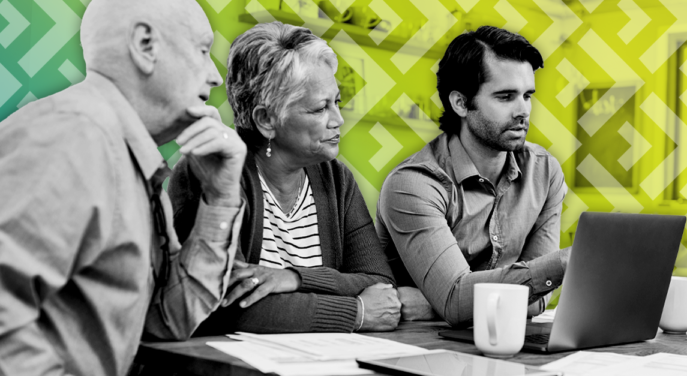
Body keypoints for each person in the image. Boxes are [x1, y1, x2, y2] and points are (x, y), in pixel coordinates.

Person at [0, 0, 247, 375]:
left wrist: (220, 198)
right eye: (201, 50)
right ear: (145, 45)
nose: (215, 76)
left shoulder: (129, 157)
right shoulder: (73, 136)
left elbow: (166, 322)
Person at [169, 22, 400, 334]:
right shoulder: (211, 171)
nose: (338, 120)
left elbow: (379, 283)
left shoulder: (336, 178)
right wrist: (354, 311)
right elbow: (223, 308)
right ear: (266, 120)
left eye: (337, 102)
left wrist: (293, 278)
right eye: (320, 109)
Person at [376, 26, 571, 327]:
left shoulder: (544, 172)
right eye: (506, 97)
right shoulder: (414, 184)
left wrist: (432, 303)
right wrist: (559, 266)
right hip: (421, 351)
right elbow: (456, 301)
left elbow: (539, 298)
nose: (523, 111)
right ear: (461, 103)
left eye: (527, 96)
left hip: (501, 342)